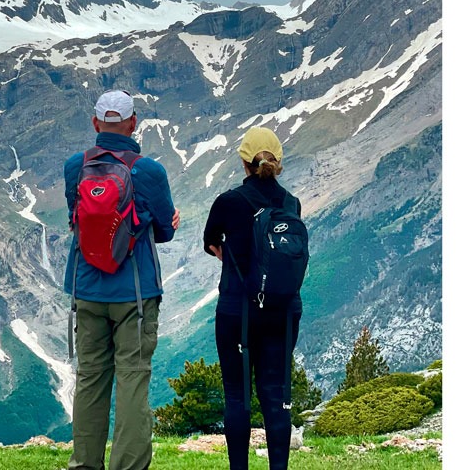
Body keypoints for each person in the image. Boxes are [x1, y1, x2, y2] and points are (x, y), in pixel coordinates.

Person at [64, 89, 180, 470]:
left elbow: (78, 222)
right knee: (132, 379)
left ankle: (85, 464)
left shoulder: (74, 168)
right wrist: (166, 221)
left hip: (87, 289)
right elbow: (163, 230)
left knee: (91, 379)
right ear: (133, 123)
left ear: (96, 123)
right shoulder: (148, 171)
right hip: (134, 292)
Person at [202, 126, 303, 470]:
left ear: (244, 161)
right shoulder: (291, 203)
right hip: (283, 311)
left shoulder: (229, 202)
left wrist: (237, 262)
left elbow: (212, 243)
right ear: (278, 161)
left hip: (237, 310)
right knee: (275, 396)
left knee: (237, 396)